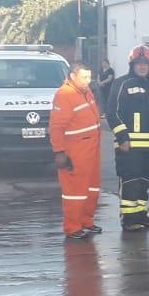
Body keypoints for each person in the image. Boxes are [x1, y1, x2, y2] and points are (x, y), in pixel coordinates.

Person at [107, 45, 149, 231]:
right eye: (138, 64)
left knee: (144, 182)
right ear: (132, 65)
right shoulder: (121, 84)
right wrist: (122, 137)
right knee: (130, 181)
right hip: (129, 145)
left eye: (145, 64)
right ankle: (129, 219)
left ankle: (141, 215)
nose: (142, 67)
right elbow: (112, 113)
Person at [49, 62, 102, 239]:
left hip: (91, 148)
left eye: (89, 77)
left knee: (91, 187)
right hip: (76, 149)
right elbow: (56, 127)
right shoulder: (65, 94)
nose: (88, 81)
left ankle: (86, 220)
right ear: (73, 77)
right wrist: (60, 152)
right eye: (84, 77)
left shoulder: (86, 92)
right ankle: (72, 226)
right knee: (75, 191)